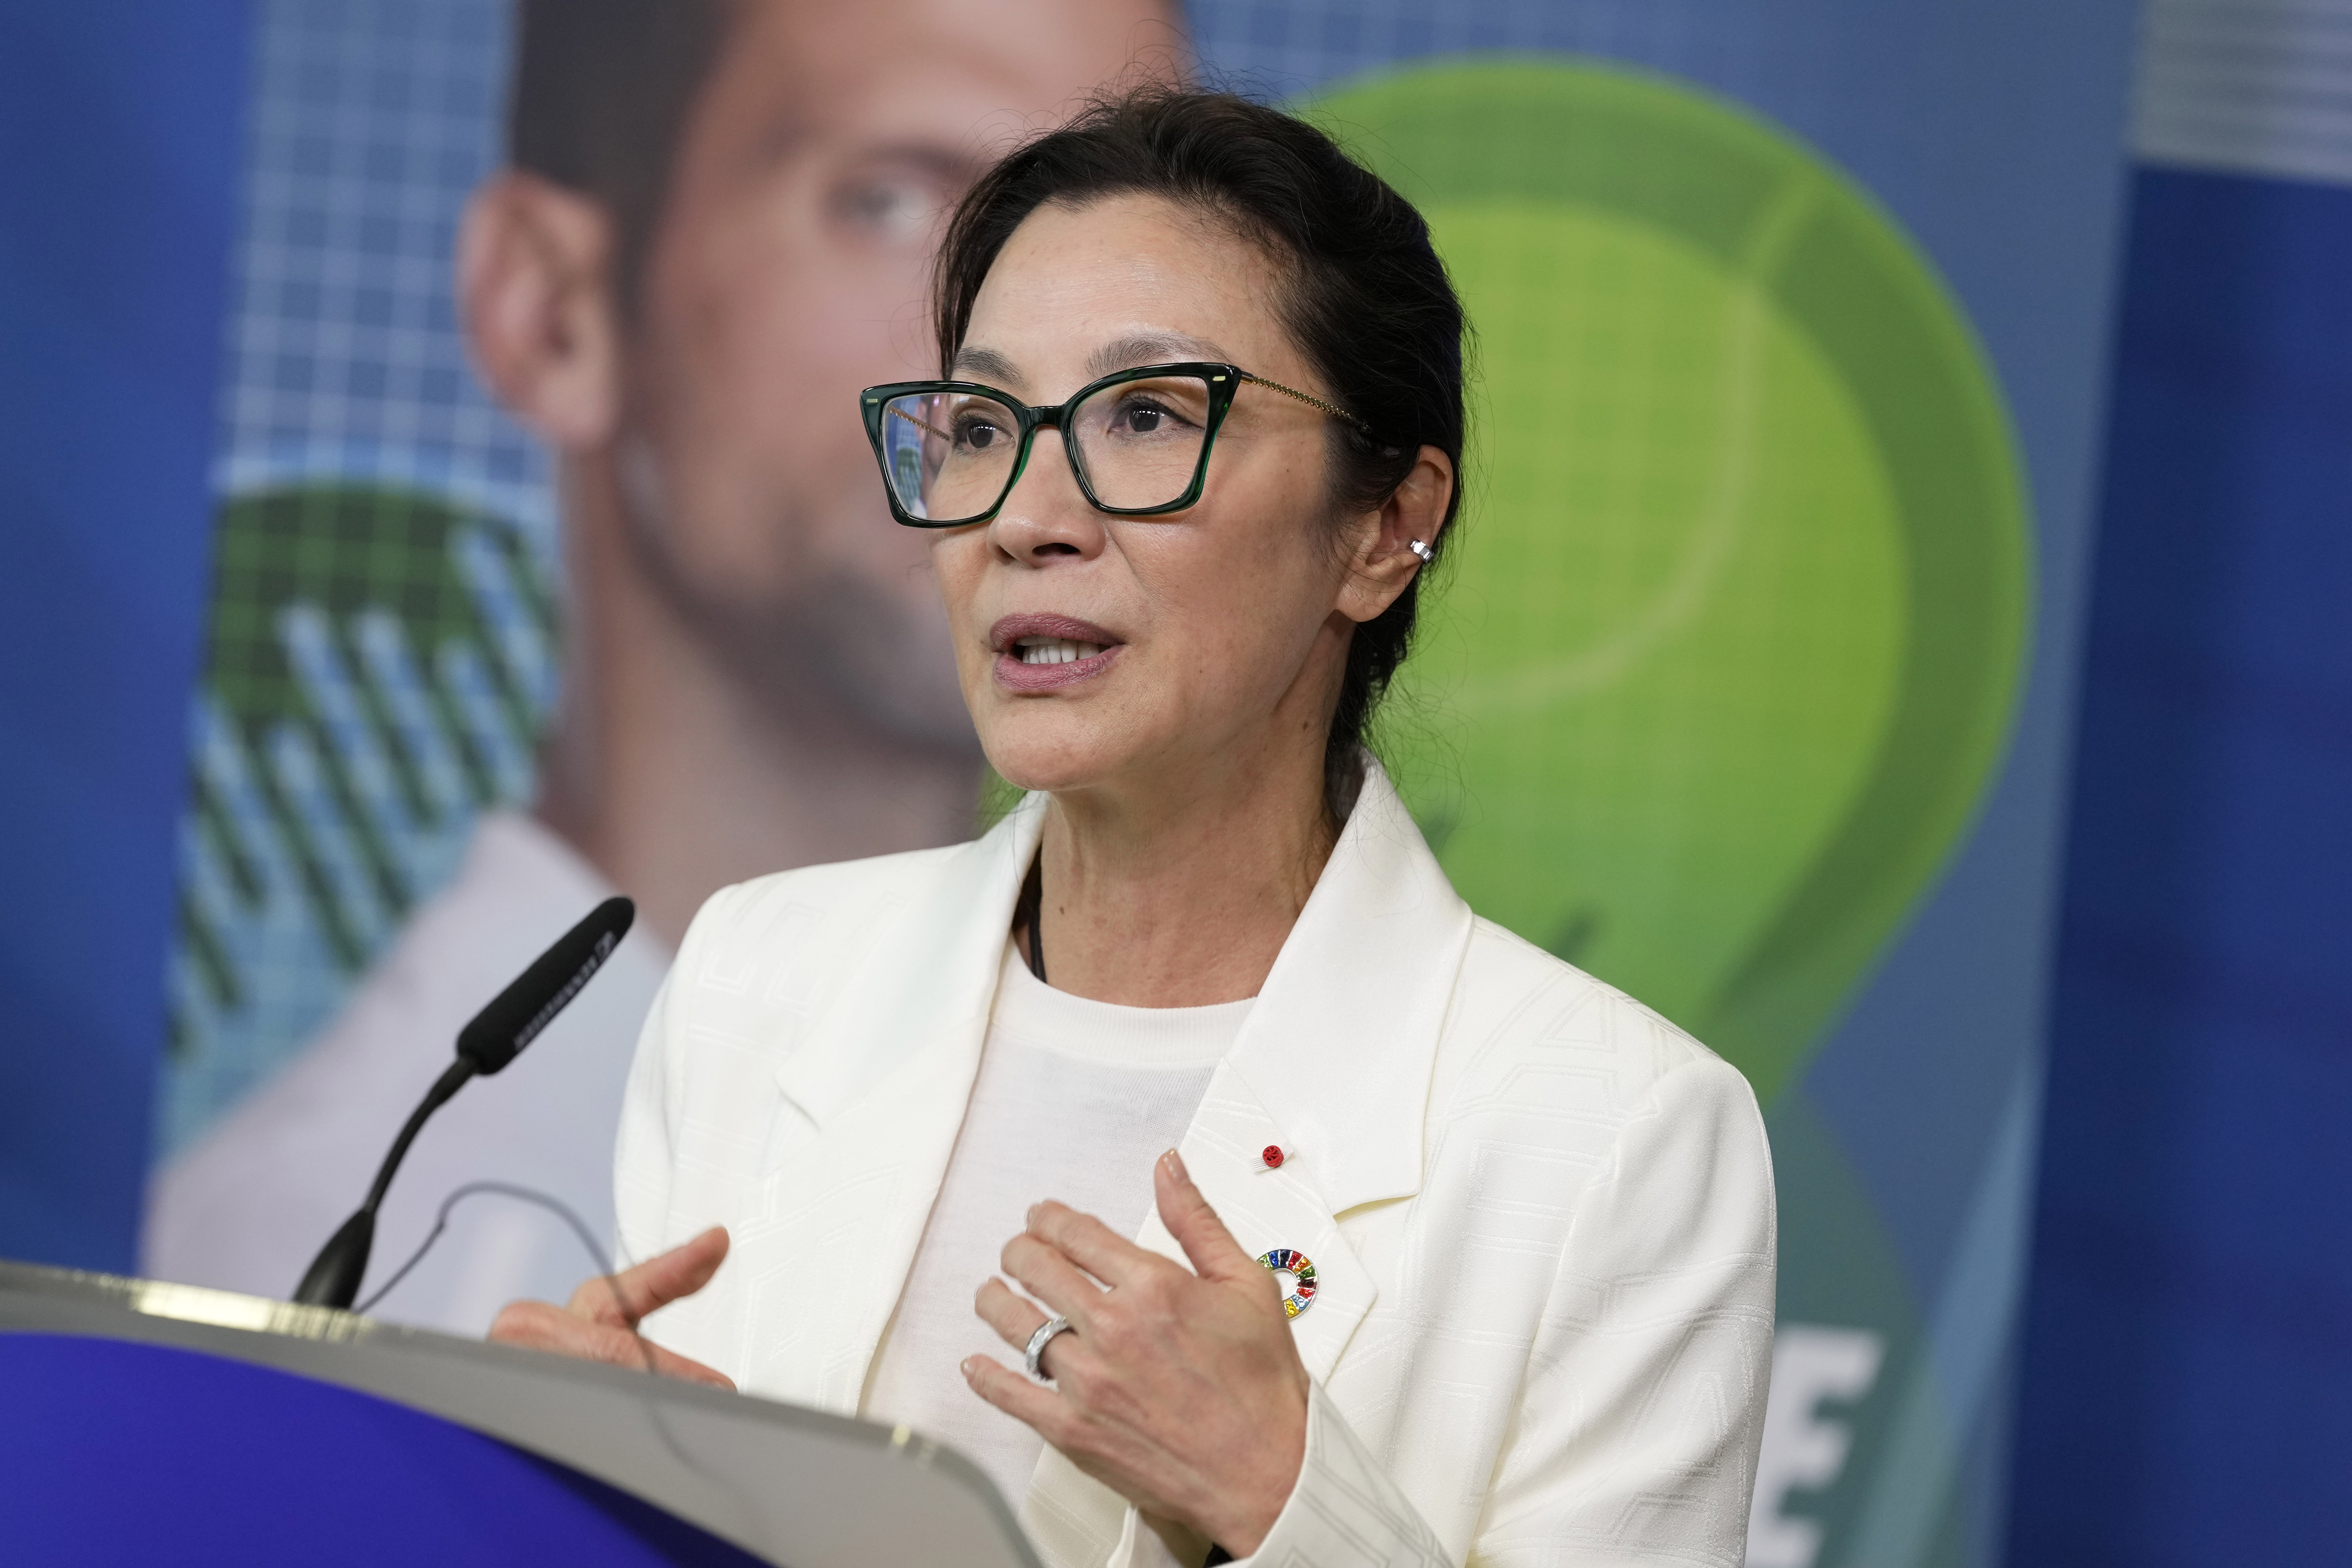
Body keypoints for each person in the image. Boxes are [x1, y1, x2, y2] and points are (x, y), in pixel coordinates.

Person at [493, 89, 1776, 1568]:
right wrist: (588, 1495)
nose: (1027, 517)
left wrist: (1286, 1502)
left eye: (1149, 416)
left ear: (1382, 527)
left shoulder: (1611, 1133)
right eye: (979, 426)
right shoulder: (761, 976)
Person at [142, 0, 1183, 1333]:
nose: (1033, 365)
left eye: (1122, 234)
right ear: (553, 310)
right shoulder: (331, 1257)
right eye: (885, 201)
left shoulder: (1194, 1162)